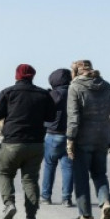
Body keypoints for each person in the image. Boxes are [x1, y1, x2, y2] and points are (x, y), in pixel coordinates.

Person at [0, 64, 56, 219]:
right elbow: (52, 117)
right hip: (36, 144)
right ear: (32, 76)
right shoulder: (43, 94)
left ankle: (9, 204)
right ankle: (31, 216)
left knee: (5, 174)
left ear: (17, 76)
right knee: (30, 180)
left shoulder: (8, 92)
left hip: (12, 142)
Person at [66, 59, 110, 219]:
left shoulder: (75, 87)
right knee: (99, 174)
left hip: (82, 139)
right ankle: (105, 203)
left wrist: (70, 140)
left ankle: (86, 216)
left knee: (81, 177)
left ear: (76, 71)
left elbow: (74, 117)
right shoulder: (106, 86)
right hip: (103, 137)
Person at [41, 68, 75, 207]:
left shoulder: (54, 94)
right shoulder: (75, 92)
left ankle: (46, 196)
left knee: (49, 165)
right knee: (68, 167)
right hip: (70, 135)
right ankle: (66, 198)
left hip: (53, 134)